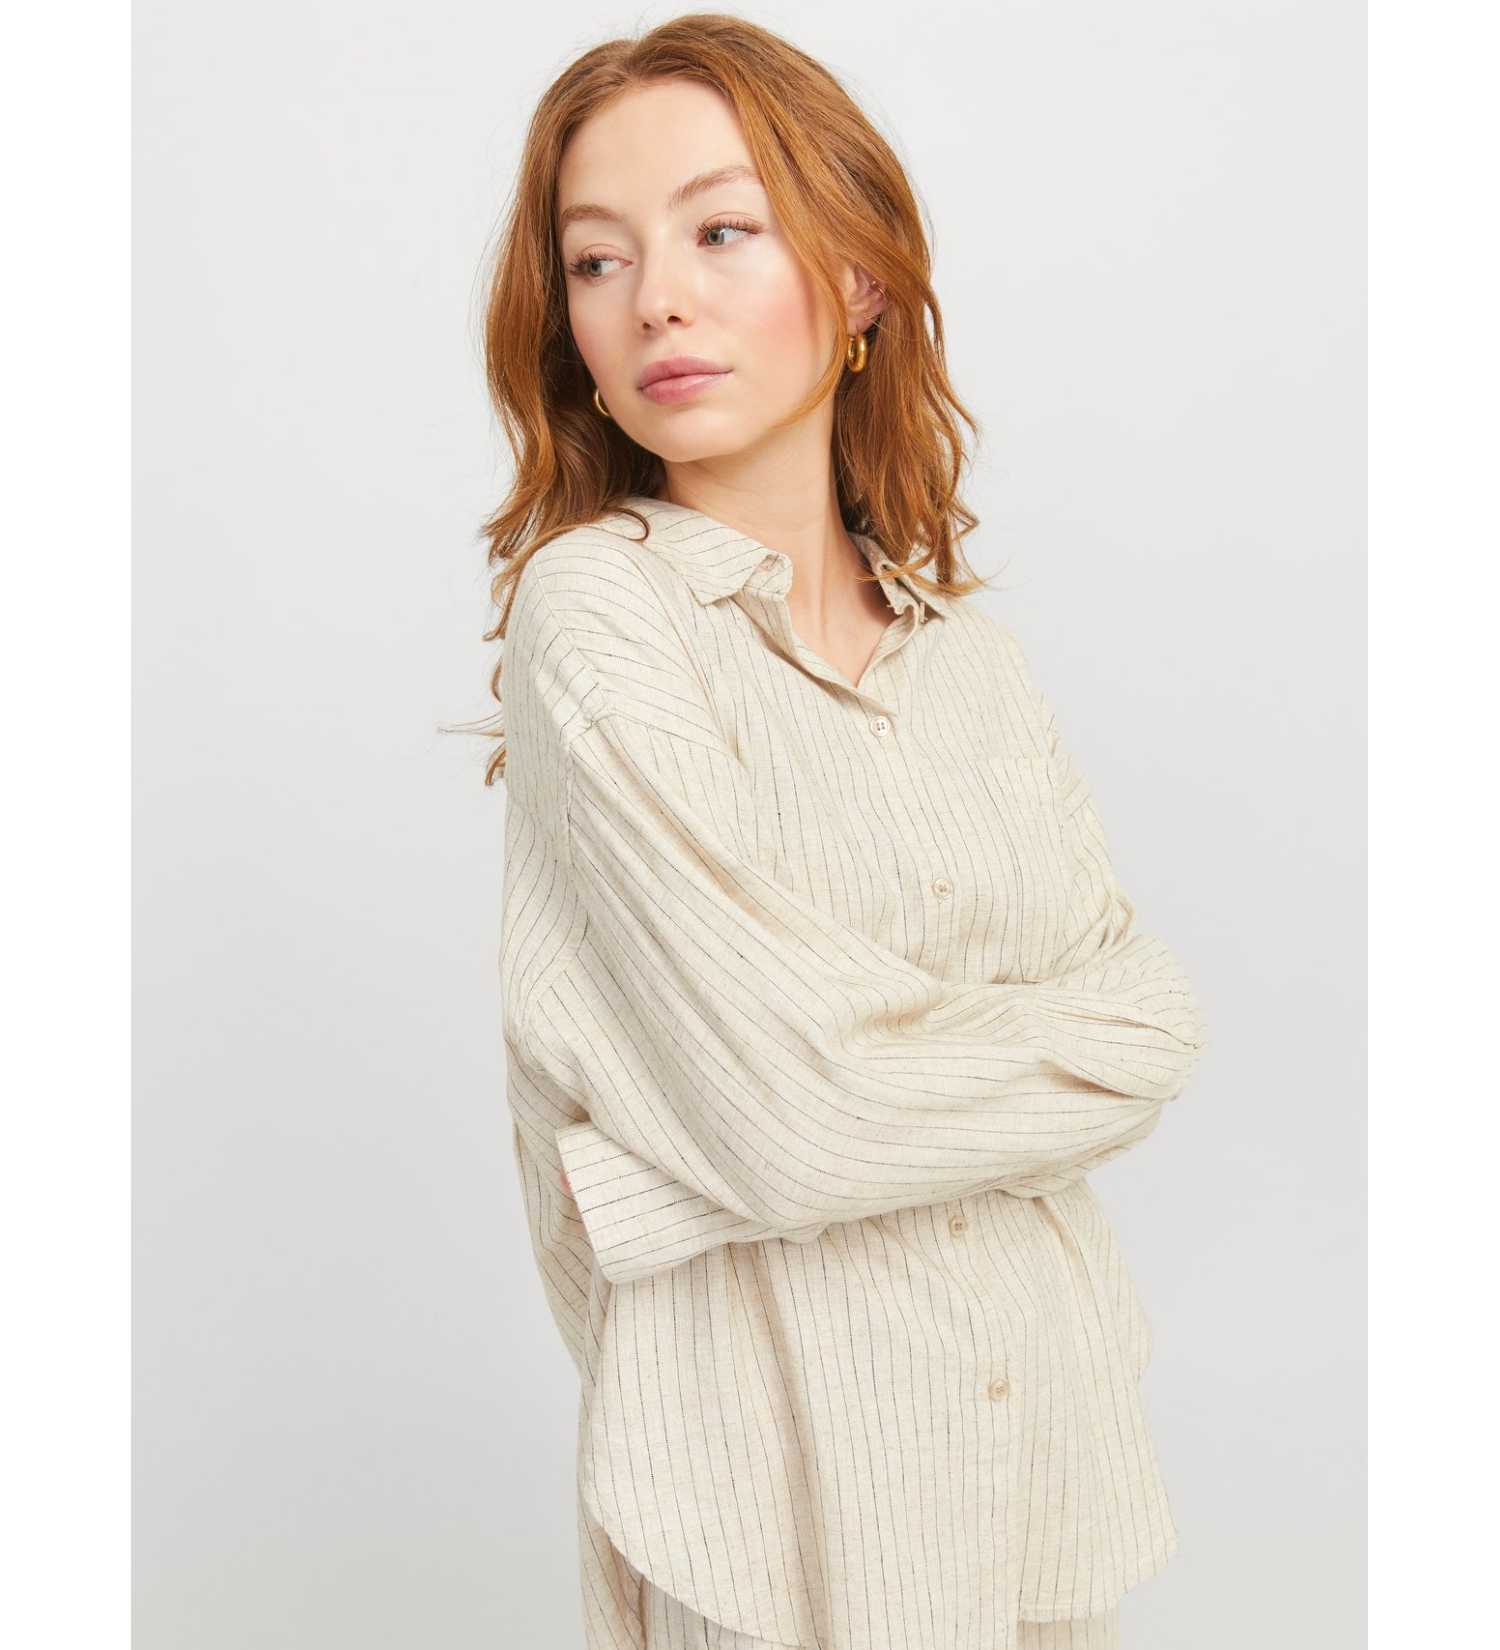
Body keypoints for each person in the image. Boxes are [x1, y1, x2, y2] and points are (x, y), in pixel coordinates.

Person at [473, 16, 1208, 1649]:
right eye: (597, 260)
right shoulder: (601, 614)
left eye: (720, 231)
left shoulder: (973, 664)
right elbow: (795, 1121)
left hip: (1033, 1465)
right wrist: (848, 1121)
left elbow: (1156, 1023)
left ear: (859, 278)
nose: (654, 300)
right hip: (772, 1503)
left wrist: (673, 1181)